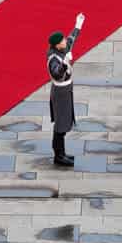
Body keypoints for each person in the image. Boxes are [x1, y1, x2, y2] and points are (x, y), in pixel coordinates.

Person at [47, 13, 86, 167]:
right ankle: (59, 156)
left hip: (66, 91)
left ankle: (61, 153)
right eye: (62, 40)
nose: (65, 41)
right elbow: (57, 73)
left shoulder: (61, 50)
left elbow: (71, 39)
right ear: (57, 45)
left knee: (64, 122)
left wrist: (78, 25)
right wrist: (65, 62)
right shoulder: (54, 59)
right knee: (60, 125)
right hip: (61, 93)